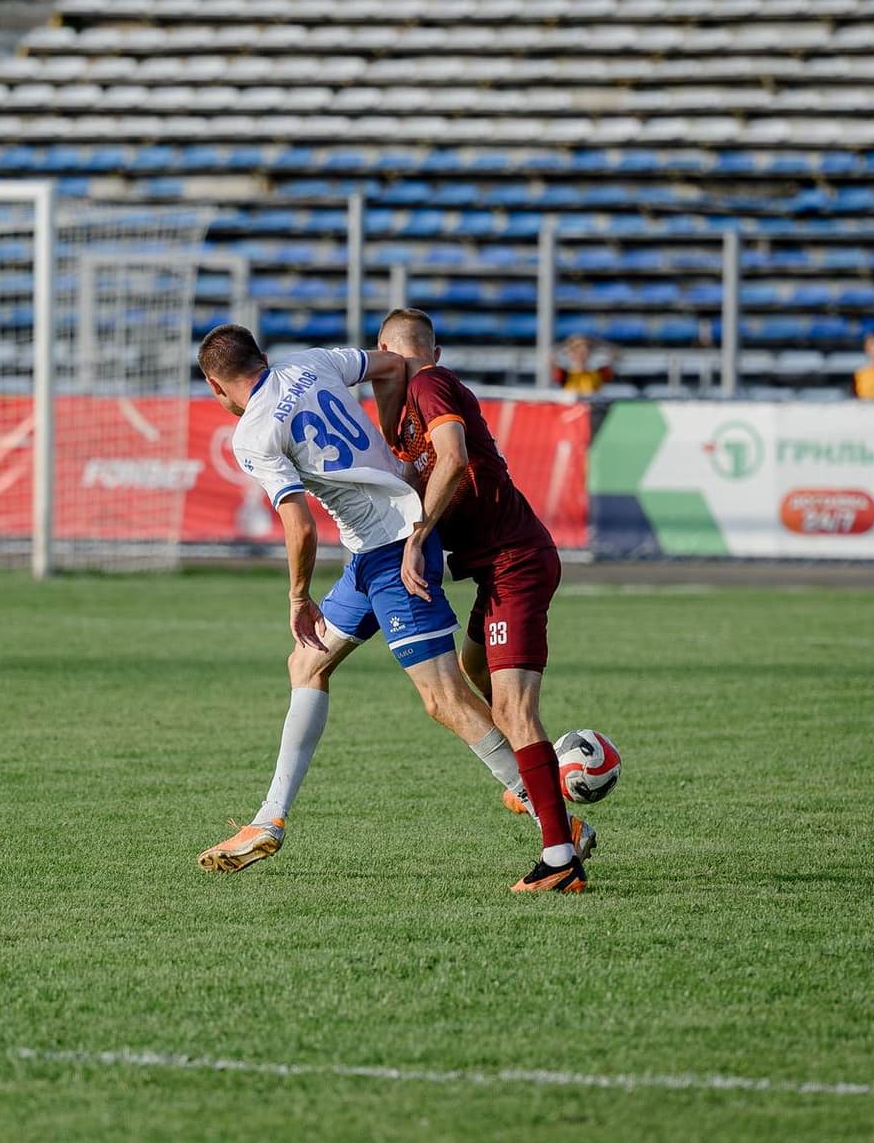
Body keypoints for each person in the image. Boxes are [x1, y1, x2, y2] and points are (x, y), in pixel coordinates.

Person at [192, 324, 592, 892]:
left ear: (215, 385)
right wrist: (388, 452)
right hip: (369, 550)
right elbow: (388, 366)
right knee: (306, 664)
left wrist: (298, 596)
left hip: (394, 547)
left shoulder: (253, 433)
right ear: (262, 356)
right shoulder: (311, 361)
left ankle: (554, 823)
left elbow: (299, 526)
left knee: (444, 697)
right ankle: (269, 820)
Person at [377, 308, 592, 894]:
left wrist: (419, 537)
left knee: (517, 711)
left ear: (387, 355)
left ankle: (559, 854)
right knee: (477, 674)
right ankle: (543, 780)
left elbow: (453, 457)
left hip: (515, 563)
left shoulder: (428, 383)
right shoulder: (402, 415)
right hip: (495, 571)